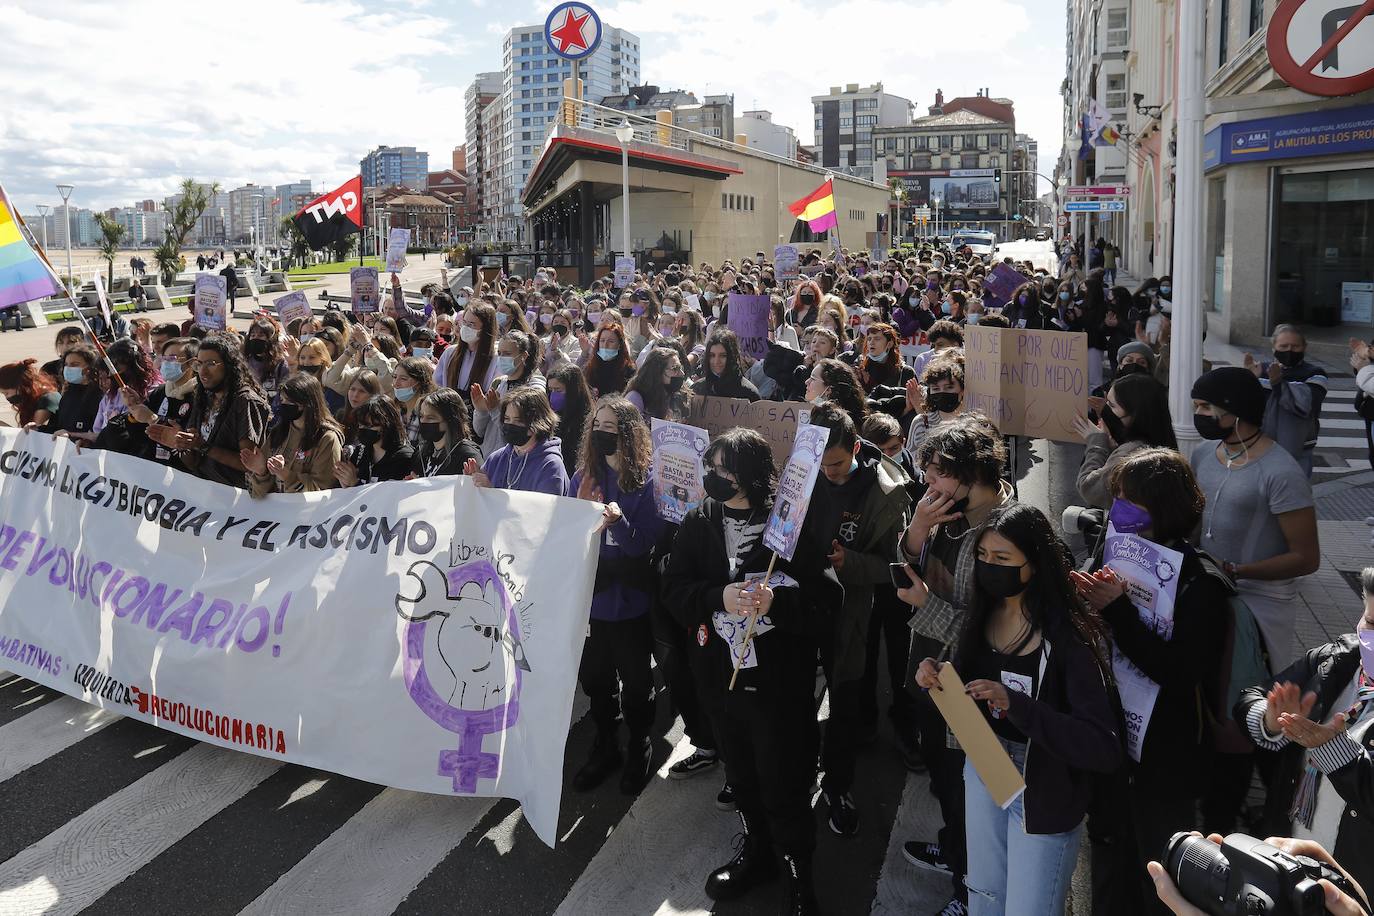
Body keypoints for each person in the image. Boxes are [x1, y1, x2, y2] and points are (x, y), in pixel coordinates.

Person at [662, 428, 839, 915]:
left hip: (778, 690)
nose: (714, 478)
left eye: (725, 470)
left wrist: (778, 604)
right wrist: (716, 597)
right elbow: (675, 589)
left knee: (784, 783)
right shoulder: (699, 521)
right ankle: (757, 851)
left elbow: (828, 603)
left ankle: (799, 872)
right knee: (742, 776)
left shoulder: (789, 528)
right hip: (722, 683)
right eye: (711, 468)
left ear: (752, 475)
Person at [913, 504, 1122, 916]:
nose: (990, 567)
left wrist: (1019, 706)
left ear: (1036, 563)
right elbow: (971, 682)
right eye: (984, 557)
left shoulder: (1072, 636)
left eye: (1003, 559)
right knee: (985, 895)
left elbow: (1102, 745)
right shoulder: (984, 612)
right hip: (986, 769)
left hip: (1045, 789)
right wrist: (939, 676)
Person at [1071, 449, 1228, 916]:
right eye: (1116, 495)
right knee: (1108, 861)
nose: (1118, 507)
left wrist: (1118, 610)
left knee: (1159, 876)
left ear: (1164, 506)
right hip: (1113, 745)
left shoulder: (1202, 584)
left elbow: (1179, 672)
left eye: (1129, 499)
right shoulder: (1112, 551)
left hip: (1165, 758)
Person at [1190, 366, 1321, 834]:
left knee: (1247, 706)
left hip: (1260, 609)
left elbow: (1306, 557)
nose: (1198, 415)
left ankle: (1268, 806)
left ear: (1235, 412)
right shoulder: (1204, 452)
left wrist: (1240, 571)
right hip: (1208, 600)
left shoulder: (1281, 471)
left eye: (1206, 408)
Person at [897, 413, 1016, 916]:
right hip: (932, 679)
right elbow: (903, 566)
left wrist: (928, 606)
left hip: (973, 696)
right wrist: (918, 528)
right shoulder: (943, 512)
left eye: (940, 472)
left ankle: (972, 893)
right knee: (947, 787)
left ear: (974, 473)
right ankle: (954, 855)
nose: (929, 483)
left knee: (978, 802)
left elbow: (1002, 632)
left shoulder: (1008, 535)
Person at [1233, 567, 1374, 896]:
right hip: (1291, 855)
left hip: (1355, 882)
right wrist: (1271, 720)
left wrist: (1335, 751)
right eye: (1370, 622)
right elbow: (1252, 698)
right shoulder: (1337, 660)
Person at [808, 401, 913, 837]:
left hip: (850, 611)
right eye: (821, 464)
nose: (828, 473)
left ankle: (838, 785)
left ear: (855, 447)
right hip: (801, 604)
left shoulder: (887, 493)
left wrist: (849, 561)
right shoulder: (803, 469)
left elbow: (896, 563)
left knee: (845, 702)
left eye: (836, 465)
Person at [566, 396, 665, 795]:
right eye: (597, 426)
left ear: (628, 432)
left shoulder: (647, 483)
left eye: (611, 427)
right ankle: (606, 742)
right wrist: (578, 513)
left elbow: (645, 546)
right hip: (594, 600)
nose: (602, 433)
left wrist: (618, 525)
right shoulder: (583, 478)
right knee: (596, 679)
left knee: (637, 682)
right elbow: (565, 539)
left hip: (632, 602)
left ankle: (639, 740)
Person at [147, 333, 270, 488]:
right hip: (204, 493)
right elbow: (193, 463)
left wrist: (203, 446)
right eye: (199, 364)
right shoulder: (203, 396)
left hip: (236, 499)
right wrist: (181, 445)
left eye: (211, 364)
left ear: (229, 364)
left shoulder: (245, 402)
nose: (203, 372)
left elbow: (248, 464)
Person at [1072, 373, 1177, 509]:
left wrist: (1097, 443)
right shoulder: (1161, 442)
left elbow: (1089, 488)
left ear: (1135, 414)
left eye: (1111, 405)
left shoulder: (1131, 452)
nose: (1105, 409)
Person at [241, 374, 344, 497]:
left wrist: (287, 475)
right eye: (282, 400)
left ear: (307, 403)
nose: (283, 405)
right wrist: (261, 472)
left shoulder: (326, 438)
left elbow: (323, 491)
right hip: (274, 513)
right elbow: (257, 495)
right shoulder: (278, 432)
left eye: (290, 401)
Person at [1247, 325, 1328, 476]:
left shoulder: (1315, 373)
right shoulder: (1261, 370)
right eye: (1283, 346)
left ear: (1304, 347)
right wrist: (1249, 379)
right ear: (1273, 347)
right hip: (1260, 446)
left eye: (1295, 346)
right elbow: (1247, 408)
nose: (1289, 350)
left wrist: (1278, 383)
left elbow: (1306, 404)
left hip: (1298, 449)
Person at [466, 387, 568, 496]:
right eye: (507, 419)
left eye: (518, 421)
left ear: (537, 423)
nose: (510, 425)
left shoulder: (550, 466)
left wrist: (492, 493)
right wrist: (472, 483)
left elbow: (541, 510)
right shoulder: (497, 458)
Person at [119, 337, 200, 465]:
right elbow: (139, 435)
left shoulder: (199, 396)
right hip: (154, 468)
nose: (166, 364)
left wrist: (153, 419)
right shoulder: (161, 391)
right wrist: (134, 408)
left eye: (172, 359)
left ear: (192, 363)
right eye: (164, 358)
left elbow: (189, 446)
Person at [470, 329, 545, 456]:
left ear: (523, 356)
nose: (501, 358)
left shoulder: (534, 388)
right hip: (491, 459)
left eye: (507, 354)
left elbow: (516, 434)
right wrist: (481, 410)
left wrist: (495, 409)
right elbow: (480, 431)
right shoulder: (498, 383)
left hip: (517, 460)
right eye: (499, 353)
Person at [332, 395, 417, 486]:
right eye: (360, 425)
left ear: (386, 426)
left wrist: (355, 483)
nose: (363, 430)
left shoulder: (403, 458)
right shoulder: (361, 452)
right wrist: (344, 482)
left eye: (369, 426)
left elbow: (389, 497)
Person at [436, 301, 499, 404]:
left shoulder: (495, 359)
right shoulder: (450, 352)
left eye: (472, 325)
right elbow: (437, 383)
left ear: (485, 329)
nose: (465, 327)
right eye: (464, 323)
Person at [415, 388, 482, 478]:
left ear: (450, 420)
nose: (423, 421)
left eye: (431, 418)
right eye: (421, 416)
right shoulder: (421, 453)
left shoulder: (467, 454)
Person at [43, 344, 103, 437]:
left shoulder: (99, 396)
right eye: (66, 365)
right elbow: (57, 427)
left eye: (74, 365)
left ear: (89, 368)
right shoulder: (68, 392)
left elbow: (98, 435)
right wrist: (38, 428)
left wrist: (72, 435)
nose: (68, 368)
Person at [547, 363, 592, 474]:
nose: (553, 396)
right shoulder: (549, 417)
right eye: (550, 390)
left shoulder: (587, 420)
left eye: (558, 390)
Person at [694, 328, 761, 401]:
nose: (717, 361)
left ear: (732, 356)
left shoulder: (749, 394)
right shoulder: (697, 390)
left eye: (723, 356)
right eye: (712, 355)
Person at [625, 345, 688, 422]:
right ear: (657, 372)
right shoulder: (635, 398)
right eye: (675, 368)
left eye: (680, 368)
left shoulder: (676, 396)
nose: (682, 373)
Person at [391, 356, 438, 452]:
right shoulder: (395, 411)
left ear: (420, 382)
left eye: (403, 379)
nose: (396, 383)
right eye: (395, 377)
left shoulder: (428, 415)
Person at [0, 359, 60, 429]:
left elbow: (33, 433)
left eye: (6, 393)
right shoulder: (31, 400)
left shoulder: (47, 399)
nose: (7, 397)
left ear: (21, 386)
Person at [583, 322, 636, 397]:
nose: (605, 345)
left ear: (619, 345)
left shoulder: (629, 370)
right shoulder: (590, 367)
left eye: (611, 341)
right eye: (602, 341)